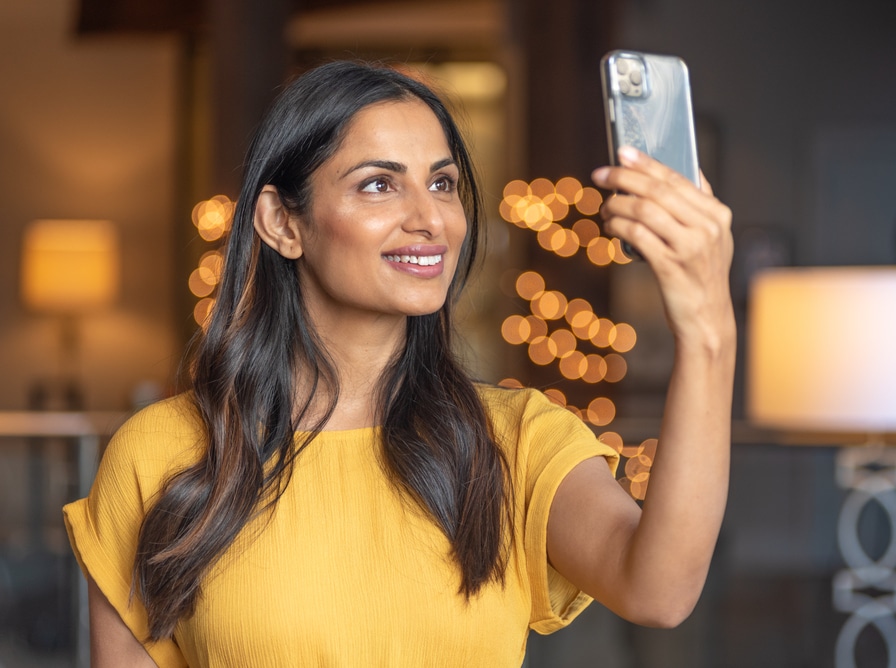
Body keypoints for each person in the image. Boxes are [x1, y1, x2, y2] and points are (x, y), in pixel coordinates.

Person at [64, 60, 735, 667]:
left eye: (441, 183)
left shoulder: (518, 439)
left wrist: (709, 329)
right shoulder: (161, 455)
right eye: (379, 184)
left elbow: (662, 592)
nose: (430, 219)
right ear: (281, 223)